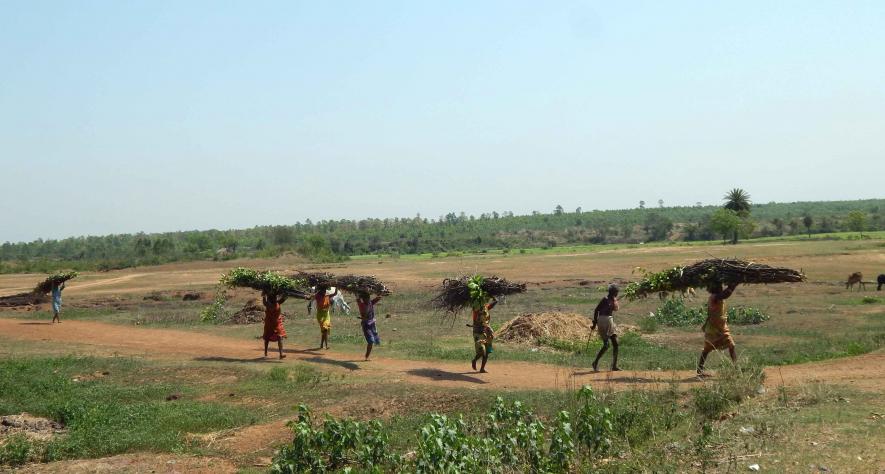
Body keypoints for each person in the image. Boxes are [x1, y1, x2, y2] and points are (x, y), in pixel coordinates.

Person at [697, 281, 739, 377]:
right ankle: (699, 370)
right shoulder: (714, 297)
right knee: (707, 349)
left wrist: (732, 286)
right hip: (714, 328)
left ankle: (737, 368)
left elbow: (725, 294)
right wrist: (733, 285)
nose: (721, 288)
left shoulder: (717, 297)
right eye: (719, 287)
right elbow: (726, 294)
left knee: (731, 346)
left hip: (720, 327)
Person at [591, 284, 621, 372]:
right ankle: (612, 365)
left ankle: (599, 363)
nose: (617, 294)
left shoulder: (610, 299)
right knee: (611, 344)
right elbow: (597, 310)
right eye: (616, 292)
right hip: (606, 320)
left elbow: (614, 309)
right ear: (614, 292)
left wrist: (595, 323)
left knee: (611, 344)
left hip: (604, 321)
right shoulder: (606, 299)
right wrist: (594, 323)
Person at [471, 296, 497, 373]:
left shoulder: (486, 307)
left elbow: (495, 301)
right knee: (482, 350)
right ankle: (474, 360)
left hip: (487, 332)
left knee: (487, 351)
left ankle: (482, 369)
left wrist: (492, 296)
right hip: (478, 332)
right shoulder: (476, 309)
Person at [356, 292, 382, 360]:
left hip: (372, 324)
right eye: (365, 299)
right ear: (363, 299)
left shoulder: (370, 303)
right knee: (371, 341)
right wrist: (357, 294)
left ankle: (367, 357)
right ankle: (367, 357)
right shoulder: (361, 305)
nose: (367, 300)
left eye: (368, 298)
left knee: (374, 340)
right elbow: (358, 299)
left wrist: (380, 293)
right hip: (366, 325)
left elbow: (378, 298)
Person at [262, 291, 288, 359]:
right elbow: (264, 301)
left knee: (280, 336)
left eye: (276, 297)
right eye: (275, 297)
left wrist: (287, 293)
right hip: (269, 323)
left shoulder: (277, 303)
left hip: (277, 323)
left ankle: (281, 354)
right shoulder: (268, 304)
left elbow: (284, 298)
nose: (276, 298)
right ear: (271, 298)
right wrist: (264, 294)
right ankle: (265, 353)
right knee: (267, 337)